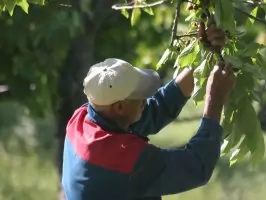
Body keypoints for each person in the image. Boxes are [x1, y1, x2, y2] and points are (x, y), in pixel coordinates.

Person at [61, 24, 235, 200]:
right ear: (119, 107)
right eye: (141, 96)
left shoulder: (82, 119)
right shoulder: (126, 161)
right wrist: (216, 97)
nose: (146, 100)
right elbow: (197, 167)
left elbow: (152, 112)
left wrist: (203, 58)